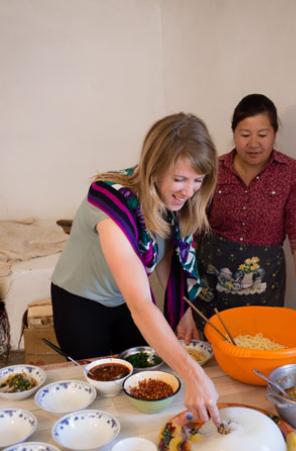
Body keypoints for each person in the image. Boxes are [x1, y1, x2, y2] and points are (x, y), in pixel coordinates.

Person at [51, 112, 221, 425]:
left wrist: (184, 312)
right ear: (154, 167)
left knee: (140, 376)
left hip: (123, 300)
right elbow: (141, 305)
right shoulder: (110, 202)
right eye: (180, 179)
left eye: (198, 180)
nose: (189, 191)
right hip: (80, 302)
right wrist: (194, 375)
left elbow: (169, 256)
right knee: (100, 389)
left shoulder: (174, 202)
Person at [195, 94, 296, 332]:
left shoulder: (292, 173)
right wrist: (182, 294)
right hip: (211, 281)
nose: (253, 143)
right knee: (211, 351)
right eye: (245, 134)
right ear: (234, 133)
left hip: (263, 285)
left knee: (260, 343)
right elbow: (193, 230)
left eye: (263, 135)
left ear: (275, 134)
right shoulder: (214, 170)